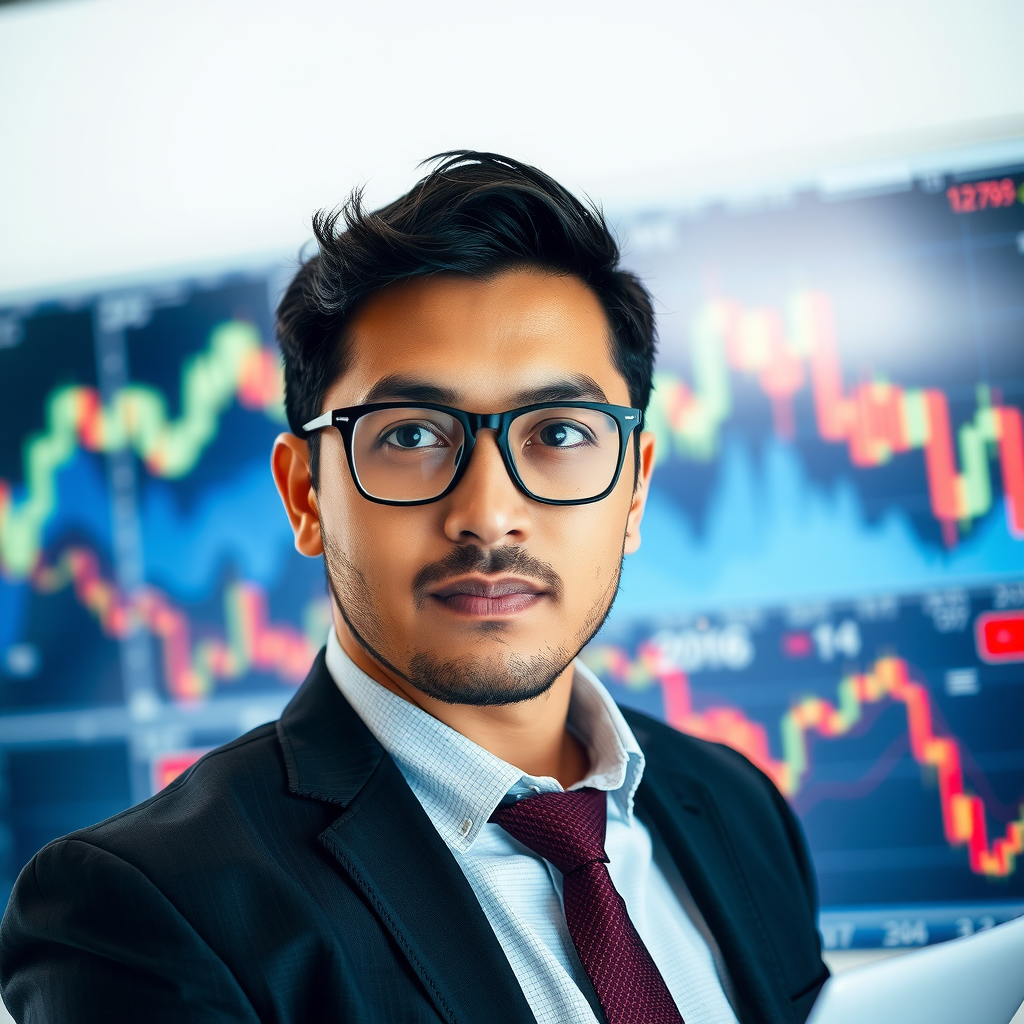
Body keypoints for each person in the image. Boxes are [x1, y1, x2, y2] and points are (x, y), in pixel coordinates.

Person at [0, 152, 828, 1024]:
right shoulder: (142, 912)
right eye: (410, 435)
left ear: (634, 489)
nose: (489, 515)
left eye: (558, 430)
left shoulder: (737, 808)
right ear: (306, 494)